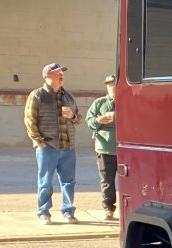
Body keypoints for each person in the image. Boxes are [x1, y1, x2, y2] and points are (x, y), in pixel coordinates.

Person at [24, 62, 81, 224]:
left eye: (62, 73)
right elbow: (30, 120)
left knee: (69, 181)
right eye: (57, 73)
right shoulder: (37, 95)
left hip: (68, 147)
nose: (61, 75)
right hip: (48, 147)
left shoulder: (68, 96)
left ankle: (68, 211)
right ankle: (44, 212)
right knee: (45, 181)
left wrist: (72, 116)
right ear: (47, 76)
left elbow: (79, 118)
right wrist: (39, 141)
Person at [84, 75, 118, 221]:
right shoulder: (99, 103)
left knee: (129, 181)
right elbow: (89, 120)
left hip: (125, 149)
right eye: (109, 85)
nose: (111, 87)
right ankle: (108, 209)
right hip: (105, 148)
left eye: (114, 84)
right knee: (107, 181)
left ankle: (131, 207)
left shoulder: (128, 101)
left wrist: (116, 116)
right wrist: (98, 120)